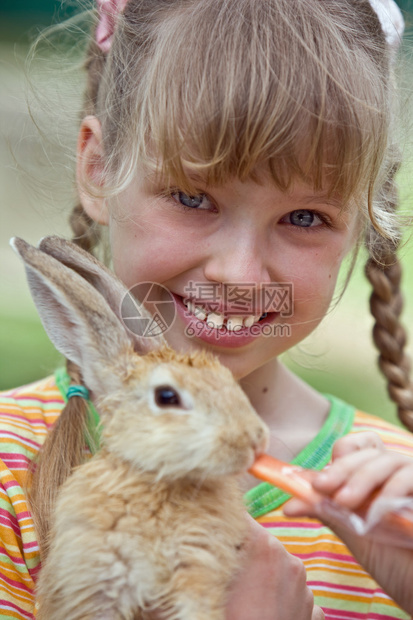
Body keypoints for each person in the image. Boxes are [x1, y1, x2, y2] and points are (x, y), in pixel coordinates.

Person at [1, 0, 413, 618]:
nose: (239, 273)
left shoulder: (390, 503)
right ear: (99, 168)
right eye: (193, 197)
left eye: (305, 217)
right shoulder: (11, 470)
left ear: (364, 222)